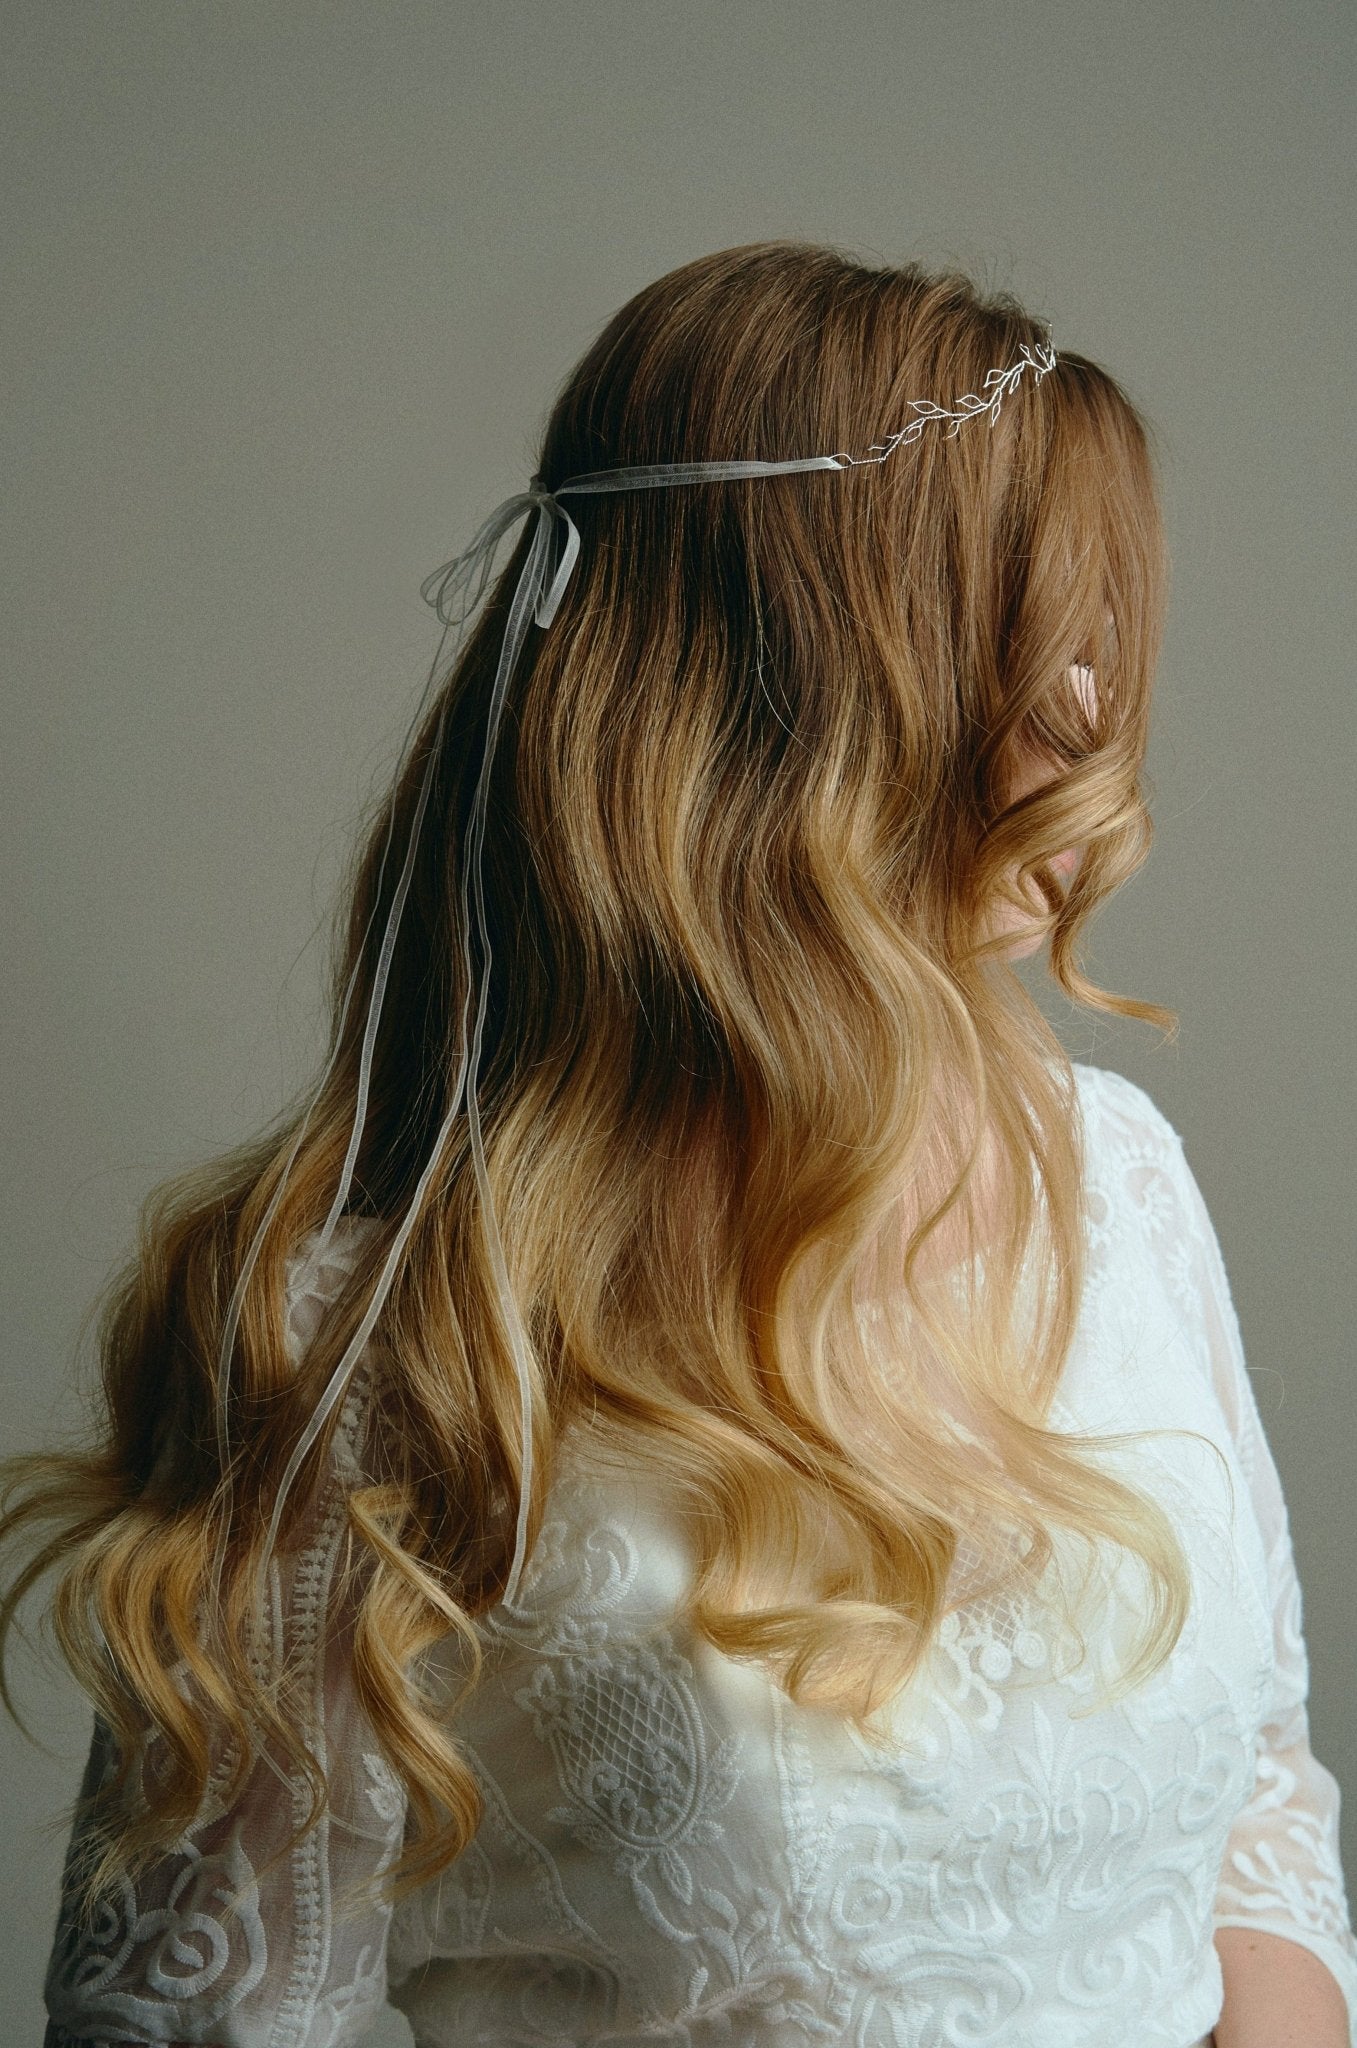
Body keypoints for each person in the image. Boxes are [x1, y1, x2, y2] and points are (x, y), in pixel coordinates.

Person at [4, 240, 1354, 2048]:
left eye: (1104, 651)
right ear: (781, 704)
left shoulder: (1114, 1182)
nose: (1092, 729)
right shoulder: (375, 1349)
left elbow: (1257, 1781)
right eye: (1028, 647)